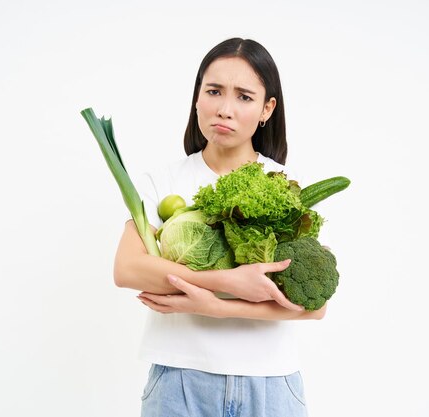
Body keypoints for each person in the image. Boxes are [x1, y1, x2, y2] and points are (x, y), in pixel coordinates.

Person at [114, 37, 326, 417]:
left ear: (267, 109)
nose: (225, 109)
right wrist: (228, 282)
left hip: (271, 382)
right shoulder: (161, 182)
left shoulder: (286, 186)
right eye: (214, 91)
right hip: (179, 379)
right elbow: (128, 269)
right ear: (197, 97)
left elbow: (313, 306)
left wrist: (217, 308)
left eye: (244, 97)